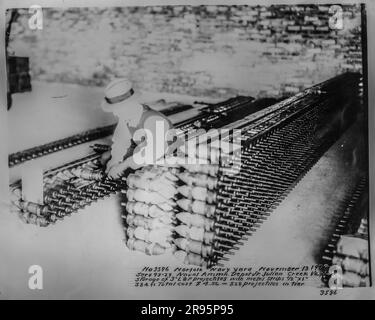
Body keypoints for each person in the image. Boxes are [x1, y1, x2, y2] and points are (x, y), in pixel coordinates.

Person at [101, 78, 172, 179]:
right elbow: (120, 141)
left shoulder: (154, 119)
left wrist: (124, 165)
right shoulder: (126, 116)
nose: (115, 113)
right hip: (144, 150)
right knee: (106, 158)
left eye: (117, 109)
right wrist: (114, 160)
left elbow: (155, 151)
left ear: (129, 104)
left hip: (165, 155)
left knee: (137, 174)